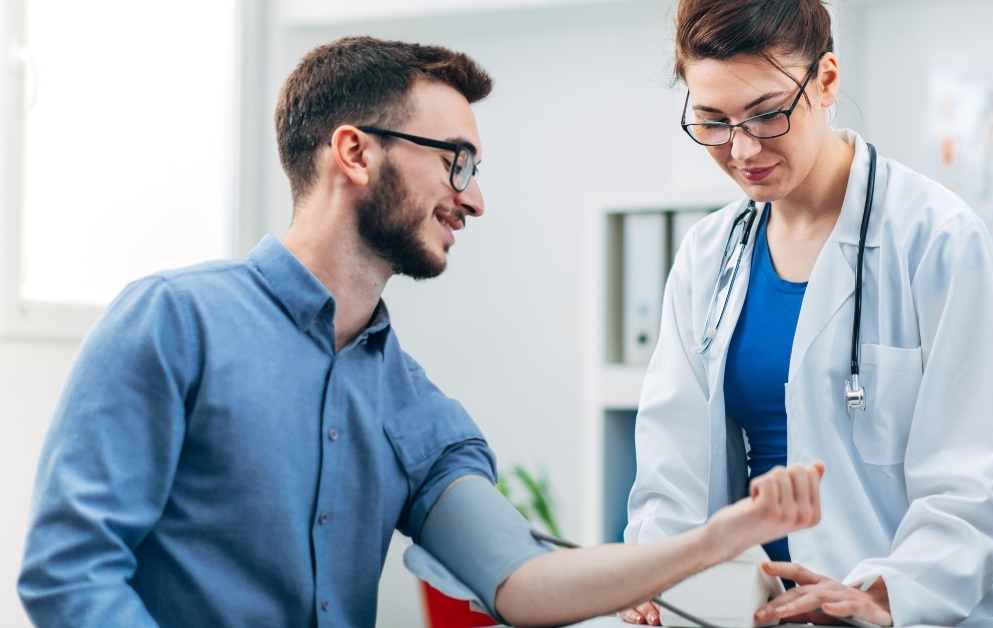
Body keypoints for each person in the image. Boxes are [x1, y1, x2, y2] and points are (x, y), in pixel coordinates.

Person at [17, 36, 827, 628]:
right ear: (354, 153)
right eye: (456, 161)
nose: (473, 200)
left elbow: (523, 581)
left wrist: (722, 537)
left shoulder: (415, 409)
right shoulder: (171, 323)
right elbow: (71, 572)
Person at [621, 1, 993, 626]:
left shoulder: (935, 237)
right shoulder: (709, 255)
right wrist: (652, 574)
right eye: (712, 121)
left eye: (766, 114)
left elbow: (975, 488)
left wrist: (882, 595)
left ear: (827, 81)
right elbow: (671, 467)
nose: (741, 149)